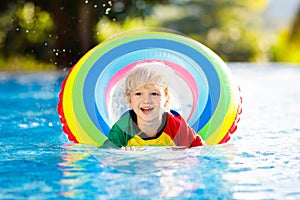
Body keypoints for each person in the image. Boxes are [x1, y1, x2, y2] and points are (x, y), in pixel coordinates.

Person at [103, 62, 205, 150]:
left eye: (154, 94)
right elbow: (106, 153)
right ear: (130, 100)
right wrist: (120, 155)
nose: (146, 100)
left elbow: (200, 150)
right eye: (139, 94)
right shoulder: (123, 128)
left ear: (166, 100)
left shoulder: (176, 126)